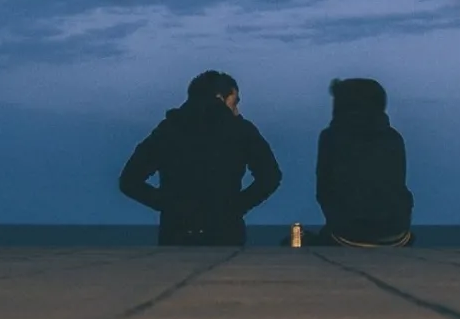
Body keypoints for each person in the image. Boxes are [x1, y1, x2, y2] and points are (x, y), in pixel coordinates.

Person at [118, 70, 283, 246]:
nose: (237, 110)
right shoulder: (240, 129)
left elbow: (129, 180)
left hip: (176, 233)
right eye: (235, 103)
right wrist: (235, 207)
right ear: (220, 97)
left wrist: (170, 205)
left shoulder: (169, 130)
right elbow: (271, 177)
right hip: (225, 233)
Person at [306, 78, 415, 247]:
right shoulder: (394, 137)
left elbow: (324, 189)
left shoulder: (331, 137)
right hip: (397, 232)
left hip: (349, 233)